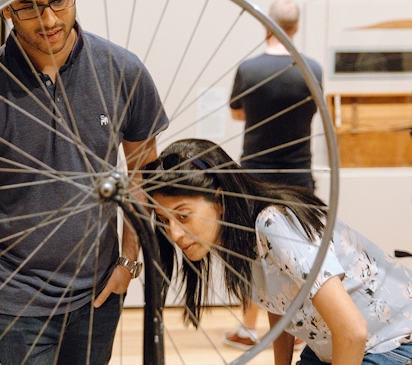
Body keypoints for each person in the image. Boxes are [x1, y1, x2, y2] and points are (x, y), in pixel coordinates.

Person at [0, 0, 169, 364]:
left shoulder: (123, 71)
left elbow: (143, 179)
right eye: (27, 5)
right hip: (12, 307)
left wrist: (128, 264)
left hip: (98, 298)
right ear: (5, 5)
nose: (47, 19)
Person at [144, 138, 412, 365]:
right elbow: (278, 301)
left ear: (219, 197)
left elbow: (353, 331)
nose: (175, 234)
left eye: (183, 216)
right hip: (330, 345)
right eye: (165, 221)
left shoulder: (274, 223)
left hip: (391, 341)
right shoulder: (232, 238)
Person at [226, 0, 323, 350]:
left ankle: (248, 328)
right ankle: (298, 331)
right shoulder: (312, 68)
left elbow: (238, 114)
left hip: (255, 173)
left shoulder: (249, 69)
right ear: (295, 26)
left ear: (267, 24)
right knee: (300, 253)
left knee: (254, 252)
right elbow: (314, 112)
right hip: (299, 174)